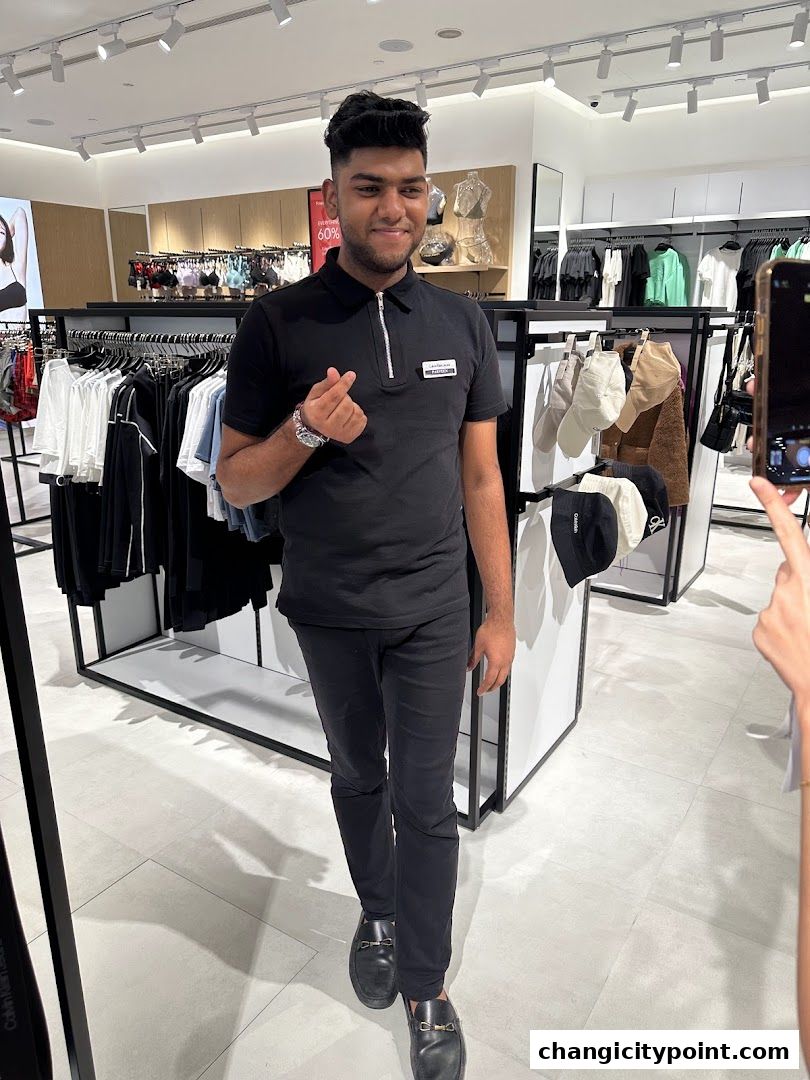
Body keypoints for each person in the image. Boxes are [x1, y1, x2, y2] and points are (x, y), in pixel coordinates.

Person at [217, 91, 516, 1080]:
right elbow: (234, 480)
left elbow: (483, 479)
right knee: (358, 777)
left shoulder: (463, 321)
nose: (394, 207)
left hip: (434, 610)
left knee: (428, 801)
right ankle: (378, 912)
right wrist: (305, 430)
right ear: (334, 194)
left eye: (411, 187)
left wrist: (502, 611)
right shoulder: (275, 323)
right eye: (370, 187)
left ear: (429, 193)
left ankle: (427, 986)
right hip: (330, 608)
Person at [0, 207, 29, 318]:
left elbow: (19, 214)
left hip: (23, 330)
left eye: (1, 232)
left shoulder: (16, 266)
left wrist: (6, 236)